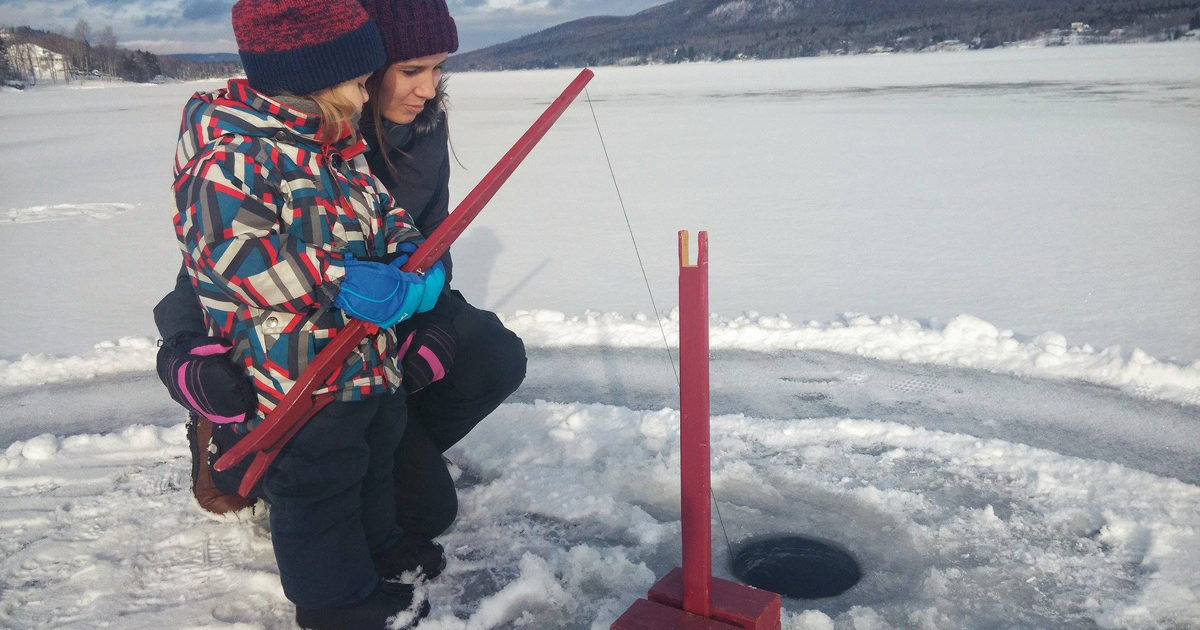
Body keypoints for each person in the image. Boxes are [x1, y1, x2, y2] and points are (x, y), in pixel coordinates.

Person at [154, 0, 527, 596]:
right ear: (358, 67)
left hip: (363, 360)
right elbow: (220, 261)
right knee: (322, 483)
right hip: (291, 366)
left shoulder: (389, 140)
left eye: (439, 70)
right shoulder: (251, 148)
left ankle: (387, 496)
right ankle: (239, 452)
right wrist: (183, 350)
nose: (430, 91)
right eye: (410, 71)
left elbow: (422, 237)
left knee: (413, 463)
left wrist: (431, 309)